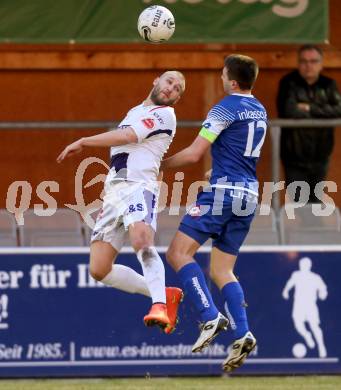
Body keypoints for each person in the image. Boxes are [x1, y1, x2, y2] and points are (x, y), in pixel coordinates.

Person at [57, 71, 186, 333]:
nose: (171, 88)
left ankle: (160, 305)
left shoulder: (165, 114)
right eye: (169, 81)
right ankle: (163, 293)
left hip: (138, 187)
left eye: (177, 89)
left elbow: (128, 137)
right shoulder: (135, 111)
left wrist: (84, 141)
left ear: (177, 99)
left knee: (141, 240)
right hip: (114, 192)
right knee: (99, 269)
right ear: (156, 81)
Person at [160, 55, 267, 371]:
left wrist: (158, 165)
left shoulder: (225, 107)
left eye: (223, 74)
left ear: (232, 81)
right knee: (222, 271)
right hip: (248, 195)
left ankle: (209, 316)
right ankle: (243, 332)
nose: (221, 78)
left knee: (178, 253)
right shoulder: (259, 109)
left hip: (223, 194)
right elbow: (240, 153)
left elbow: (194, 154)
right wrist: (217, 173)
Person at [277, 44, 341, 203]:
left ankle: (314, 227)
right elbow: (288, 110)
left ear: (321, 64)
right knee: (298, 199)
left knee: (315, 199)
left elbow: (339, 110)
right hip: (294, 154)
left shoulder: (328, 85)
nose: (308, 65)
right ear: (298, 63)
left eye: (313, 61)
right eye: (304, 61)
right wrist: (323, 111)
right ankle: (313, 226)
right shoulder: (288, 83)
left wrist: (309, 108)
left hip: (321, 153)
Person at [282, 257, 328, 358]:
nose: (303, 266)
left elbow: (323, 288)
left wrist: (322, 294)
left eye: (305, 265)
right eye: (302, 264)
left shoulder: (315, 277)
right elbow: (290, 283)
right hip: (299, 305)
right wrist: (286, 291)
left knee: (315, 327)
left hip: (310, 305)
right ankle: (307, 335)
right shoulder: (296, 275)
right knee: (298, 325)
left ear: (309, 266)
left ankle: (321, 347)